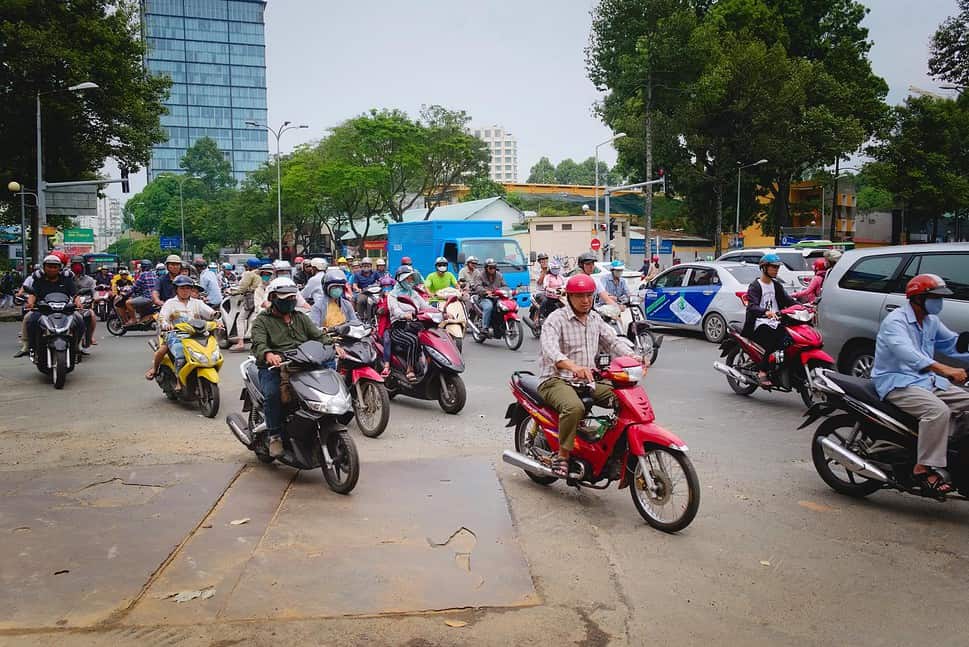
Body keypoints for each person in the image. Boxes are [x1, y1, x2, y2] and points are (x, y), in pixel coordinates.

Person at [871, 273, 969, 494]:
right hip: (896, 382)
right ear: (918, 298)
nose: (940, 302)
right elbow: (909, 355)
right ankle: (922, 468)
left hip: (927, 381)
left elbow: (953, 345)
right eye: (935, 297)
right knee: (938, 412)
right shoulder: (895, 321)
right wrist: (945, 369)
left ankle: (951, 450)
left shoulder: (930, 320)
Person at [538, 274, 642, 478]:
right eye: (579, 296)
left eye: (589, 295)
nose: (585, 300)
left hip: (586, 381)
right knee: (573, 407)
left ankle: (610, 450)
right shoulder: (556, 319)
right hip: (555, 379)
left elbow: (613, 342)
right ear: (569, 297)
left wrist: (634, 356)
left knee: (623, 400)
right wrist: (573, 366)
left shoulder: (595, 319)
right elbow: (550, 350)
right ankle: (563, 455)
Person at [251, 277, 336, 457]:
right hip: (274, 367)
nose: (290, 301)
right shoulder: (262, 320)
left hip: (302, 362)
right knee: (273, 394)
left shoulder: (300, 318)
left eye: (292, 298)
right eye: (285, 298)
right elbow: (259, 343)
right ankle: (274, 435)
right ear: (273, 298)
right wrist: (269, 354)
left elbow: (317, 336)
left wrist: (333, 345)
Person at [146, 275, 219, 383]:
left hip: (196, 335)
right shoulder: (170, 303)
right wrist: (166, 325)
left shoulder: (197, 303)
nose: (185, 291)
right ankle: (160, 371)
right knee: (174, 352)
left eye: (188, 288)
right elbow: (162, 317)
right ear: (176, 290)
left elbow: (210, 313)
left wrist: (217, 318)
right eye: (182, 288)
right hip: (175, 334)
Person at [742, 253, 796, 387]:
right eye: (773, 267)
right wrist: (766, 312)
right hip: (759, 323)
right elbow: (752, 306)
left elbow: (788, 301)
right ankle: (762, 371)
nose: (776, 270)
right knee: (775, 339)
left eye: (778, 267)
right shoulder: (755, 286)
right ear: (764, 267)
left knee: (793, 338)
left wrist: (804, 306)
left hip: (775, 322)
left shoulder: (776, 285)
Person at [18, 255, 83, 359]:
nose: (52, 269)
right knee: (28, 319)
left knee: (79, 319)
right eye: (49, 266)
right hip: (43, 309)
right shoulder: (39, 280)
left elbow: (75, 295)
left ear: (59, 268)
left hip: (64, 309)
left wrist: (78, 303)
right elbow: (33, 294)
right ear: (44, 267)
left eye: (55, 267)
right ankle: (28, 346)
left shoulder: (67, 280)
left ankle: (77, 345)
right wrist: (30, 304)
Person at [388, 266, 429, 382]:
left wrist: (442, 313)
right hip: (398, 328)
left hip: (414, 325)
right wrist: (404, 315)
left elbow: (425, 306)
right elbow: (395, 310)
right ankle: (409, 369)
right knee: (413, 340)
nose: (411, 281)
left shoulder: (414, 293)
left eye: (412, 278)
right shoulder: (393, 294)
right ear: (401, 279)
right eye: (408, 278)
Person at [471, 258, 508, 335]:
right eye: (490, 267)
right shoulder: (480, 275)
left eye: (494, 267)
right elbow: (477, 286)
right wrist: (485, 292)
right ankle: (485, 327)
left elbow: (505, 286)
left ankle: (503, 325)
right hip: (484, 298)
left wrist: (507, 291)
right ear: (486, 268)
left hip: (497, 298)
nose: (492, 269)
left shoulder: (499, 275)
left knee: (506, 306)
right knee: (488, 307)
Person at [70, 257, 98, 348]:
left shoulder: (89, 280)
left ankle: (90, 336)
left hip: (85, 304)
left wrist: (95, 298)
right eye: (74, 265)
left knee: (92, 315)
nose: (77, 267)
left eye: (79, 265)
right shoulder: (67, 278)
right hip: (69, 304)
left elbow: (94, 291)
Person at [375, 274, 396, 376]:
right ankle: (387, 365)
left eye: (389, 286)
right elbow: (381, 311)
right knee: (387, 340)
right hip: (387, 327)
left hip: (398, 324)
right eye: (385, 286)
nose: (387, 288)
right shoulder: (381, 299)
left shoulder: (397, 297)